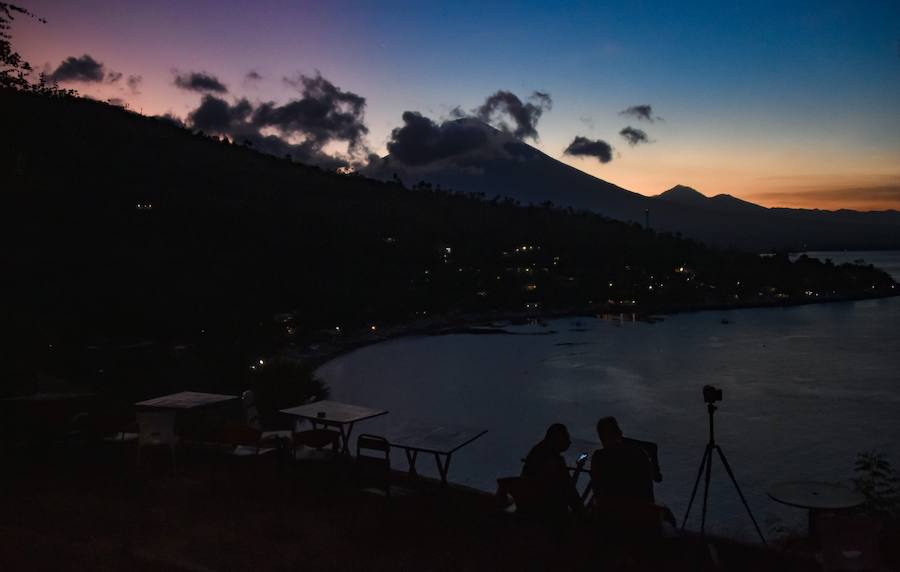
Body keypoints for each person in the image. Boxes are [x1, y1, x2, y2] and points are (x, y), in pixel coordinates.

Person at [590, 417, 659, 533]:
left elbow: (597, 490)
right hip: (639, 518)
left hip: (610, 519)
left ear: (602, 437)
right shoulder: (640, 454)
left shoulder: (599, 457)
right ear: (619, 433)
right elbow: (648, 491)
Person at [519, 423, 586, 520]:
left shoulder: (537, 452)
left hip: (530, 507)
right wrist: (583, 513)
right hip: (548, 513)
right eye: (566, 438)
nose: (569, 442)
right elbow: (569, 491)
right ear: (558, 439)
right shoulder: (555, 460)